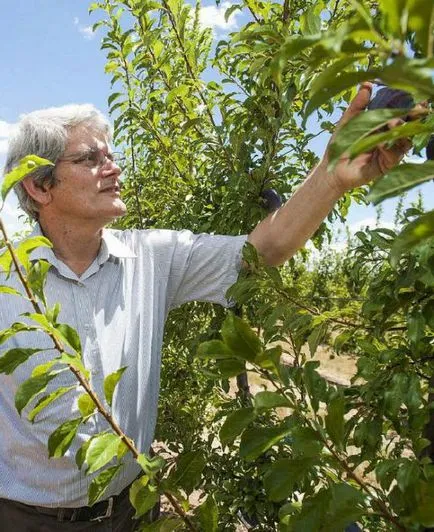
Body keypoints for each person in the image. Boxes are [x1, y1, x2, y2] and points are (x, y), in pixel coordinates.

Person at [0, 82, 409, 530]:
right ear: (39, 185)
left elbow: (263, 251)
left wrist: (331, 174)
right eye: (91, 159)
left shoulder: (151, 258)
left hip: (133, 511)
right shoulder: (8, 281)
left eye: (111, 155)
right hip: (26, 518)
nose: (114, 168)